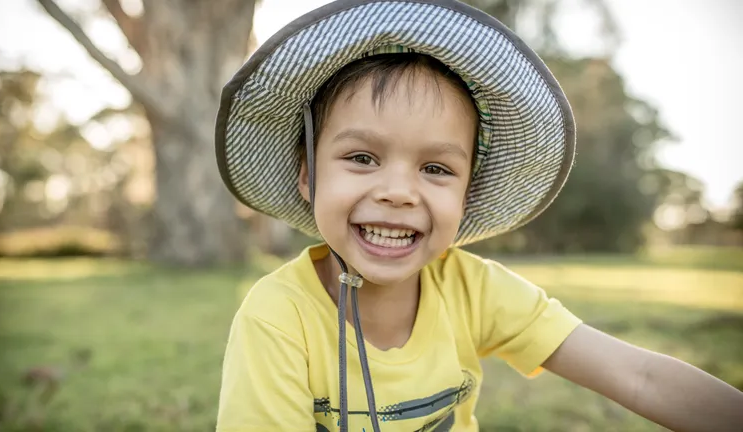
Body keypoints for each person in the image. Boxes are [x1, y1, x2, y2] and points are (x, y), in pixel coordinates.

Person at [213, 1, 743, 431]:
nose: (399, 192)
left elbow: (641, 377)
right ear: (307, 175)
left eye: (437, 168)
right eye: (361, 158)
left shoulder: (473, 290)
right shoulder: (277, 319)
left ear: (468, 192)